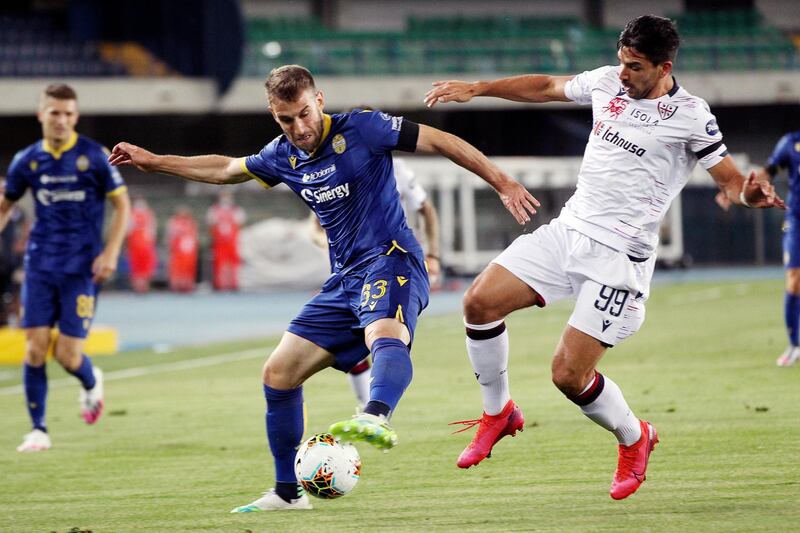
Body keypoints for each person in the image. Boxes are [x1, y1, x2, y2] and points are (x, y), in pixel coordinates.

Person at [109, 64, 537, 512]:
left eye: (303, 114)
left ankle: (375, 415)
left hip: (391, 260)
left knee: (385, 336)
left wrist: (503, 182)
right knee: (278, 374)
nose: (298, 127)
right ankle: (287, 493)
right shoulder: (281, 155)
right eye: (285, 120)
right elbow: (225, 169)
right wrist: (155, 161)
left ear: (320, 100)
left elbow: (442, 140)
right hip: (343, 280)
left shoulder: (366, 128)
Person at [424, 14, 783, 500]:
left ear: (664, 67)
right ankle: (499, 412)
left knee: (568, 376)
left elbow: (731, 182)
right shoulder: (607, 82)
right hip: (570, 230)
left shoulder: (692, 116)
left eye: (634, 67)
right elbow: (547, 85)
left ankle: (635, 437)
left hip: (621, 256)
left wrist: (749, 196)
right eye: (621, 61)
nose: (623, 73)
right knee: (479, 303)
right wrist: (478, 88)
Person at [0, 83, 131, 452]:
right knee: (35, 349)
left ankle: (91, 382)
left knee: (68, 355)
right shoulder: (26, 160)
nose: (62, 120)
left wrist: (110, 253)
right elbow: (6, 205)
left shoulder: (94, 155)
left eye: (69, 114)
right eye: (55, 113)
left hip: (81, 270)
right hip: (40, 265)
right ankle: (38, 429)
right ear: (42, 114)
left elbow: (123, 206)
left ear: (76, 116)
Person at [309, 153, 442, 409]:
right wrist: (326, 243)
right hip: (350, 267)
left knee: (384, 331)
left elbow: (426, 209)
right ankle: (368, 406)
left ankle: (375, 408)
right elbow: (315, 226)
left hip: (391, 261)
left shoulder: (398, 169)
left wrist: (433, 254)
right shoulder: (331, 171)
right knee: (351, 335)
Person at [717, 130, 800, 367]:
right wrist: (743, 191)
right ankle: (794, 345)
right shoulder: (791, 143)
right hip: (797, 220)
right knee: (794, 278)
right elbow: (767, 172)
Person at [0, 176, 29, 327]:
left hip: (12, 259)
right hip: (2, 259)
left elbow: (26, 227)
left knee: (17, 290)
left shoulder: (16, 211)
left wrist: (22, 243)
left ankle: (20, 324)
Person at [206, 189, 246, 291]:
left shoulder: (237, 210)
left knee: (234, 262)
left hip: (232, 241)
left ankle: (233, 283)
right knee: (219, 262)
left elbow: (240, 225)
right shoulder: (214, 210)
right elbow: (211, 225)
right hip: (219, 242)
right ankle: (220, 284)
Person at [127, 195, 158, 293]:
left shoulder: (132, 213)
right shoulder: (148, 214)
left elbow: (127, 230)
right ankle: (142, 287)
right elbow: (153, 231)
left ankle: (139, 287)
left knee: (139, 268)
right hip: (144, 245)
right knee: (142, 268)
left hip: (138, 245)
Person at [166, 206, 199, 292]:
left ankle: (187, 285)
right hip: (177, 250)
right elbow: (170, 235)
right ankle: (176, 286)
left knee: (188, 268)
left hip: (188, 251)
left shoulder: (191, 222)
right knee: (177, 268)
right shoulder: (173, 222)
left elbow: (195, 236)